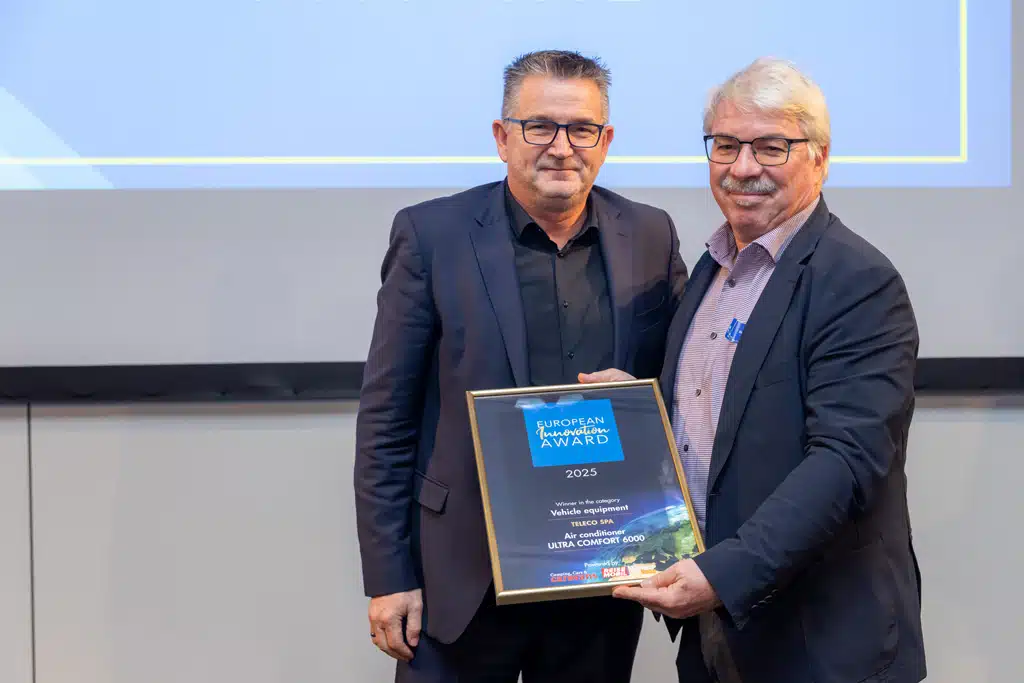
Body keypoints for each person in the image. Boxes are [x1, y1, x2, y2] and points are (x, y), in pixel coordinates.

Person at [580, 58, 926, 683]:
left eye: (770, 147)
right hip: (719, 633)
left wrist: (723, 574)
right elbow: (725, 414)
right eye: (726, 145)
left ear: (820, 158)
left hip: (816, 640)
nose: (742, 167)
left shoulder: (858, 281)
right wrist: (643, 410)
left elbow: (847, 463)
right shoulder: (712, 268)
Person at [353, 49, 689, 682]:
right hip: (462, 577)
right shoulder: (432, 236)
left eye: (581, 129)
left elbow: (685, 383)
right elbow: (386, 419)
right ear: (502, 137)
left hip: (599, 572)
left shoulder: (650, 234)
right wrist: (389, 576)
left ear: (605, 141)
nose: (561, 147)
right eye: (540, 127)